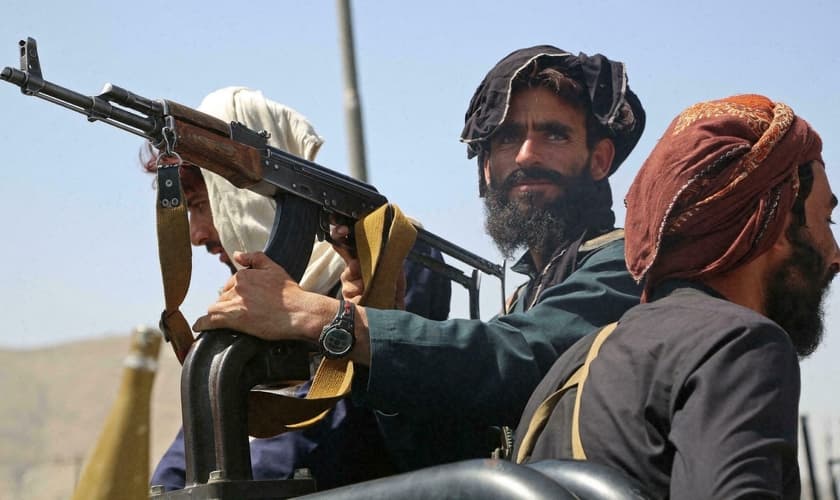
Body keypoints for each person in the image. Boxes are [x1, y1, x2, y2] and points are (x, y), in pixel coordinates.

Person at [192, 46, 647, 470]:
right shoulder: (531, 293)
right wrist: (380, 324)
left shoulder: (626, 266)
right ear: (486, 168)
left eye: (554, 134)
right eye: (507, 138)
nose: (527, 154)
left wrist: (321, 316)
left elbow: (516, 355)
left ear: (599, 159)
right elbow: (452, 452)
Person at [513, 94, 839, 499]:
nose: (835, 255)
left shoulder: (571, 366)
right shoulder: (740, 344)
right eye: (824, 220)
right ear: (772, 219)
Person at [145, 87, 451, 490]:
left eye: (203, 204)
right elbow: (195, 442)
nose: (197, 235)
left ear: (247, 194)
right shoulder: (247, 310)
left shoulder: (394, 259)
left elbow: (314, 435)